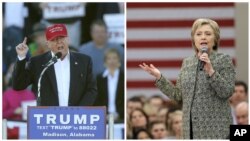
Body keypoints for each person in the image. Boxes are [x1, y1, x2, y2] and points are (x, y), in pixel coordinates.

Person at [139, 18, 235, 139]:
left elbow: (227, 91)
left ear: (215, 39)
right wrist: (159, 77)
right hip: (190, 132)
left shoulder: (223, 60)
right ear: (194, 39)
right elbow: (178, 96)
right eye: (199, 34)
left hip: (216, 131)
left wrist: (211, 71)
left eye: (208, 34)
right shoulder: (187, 63)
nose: (203, 37)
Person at [13, 24, 97, 106]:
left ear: (68, 39)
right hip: (49, 117)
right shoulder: (37, 62)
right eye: (54, 40)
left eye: (62, 38)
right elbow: (18, 85)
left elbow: (91, 90)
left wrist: (78, 111)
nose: (59, 42)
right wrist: (21, 57)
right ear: (48, 44)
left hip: (76, 116)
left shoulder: (84, 61)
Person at [94, 48, 124, 121]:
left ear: (119, 61)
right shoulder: (99, 78)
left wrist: (119, 114)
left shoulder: (124, 77)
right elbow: (96, 99)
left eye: (114, 58)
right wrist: (104, 114)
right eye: (109, 58)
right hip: (103, 117)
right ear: (105, 61)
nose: (112, 61)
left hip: (122, 117)